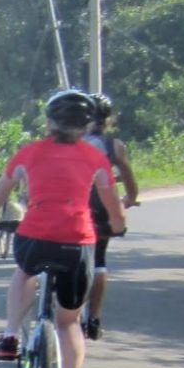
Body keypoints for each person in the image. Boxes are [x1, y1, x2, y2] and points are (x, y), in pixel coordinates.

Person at [0, 89, 127, 368]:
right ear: (85, 126)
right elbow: (113, 205)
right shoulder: (95, 158)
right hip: (77, 242)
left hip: (35, 237)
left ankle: (11, 335)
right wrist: (117, 226)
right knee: (69, 322)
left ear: (49, 122)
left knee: (24, 271)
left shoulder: (29, 153)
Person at [82, 93, 140, 340]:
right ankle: (93, 318)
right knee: (99, 260)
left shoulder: (69, 142)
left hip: (69, 205)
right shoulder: (114, 146)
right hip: (101, 208)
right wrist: (129, 199)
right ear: (109, 119)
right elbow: (129, 180)